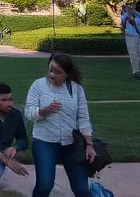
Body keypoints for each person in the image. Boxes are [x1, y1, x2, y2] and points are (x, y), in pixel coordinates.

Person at [24, 53, 95, 197]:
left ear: (66, 74)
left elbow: (83, 117)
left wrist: (89, 144)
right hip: (44, 142)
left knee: (82, 190)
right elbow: (29, 112)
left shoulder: (76, 89)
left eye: (57, 72)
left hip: (71, 144)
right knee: (44, 186)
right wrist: (45, 111)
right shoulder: (38, 85)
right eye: (50, 69)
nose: (52, 74)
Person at [121, 2, 140, 81]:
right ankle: (136, 72)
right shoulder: (124, 16)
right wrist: (129, 18)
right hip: (130, 37)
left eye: (132, 6)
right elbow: (123, 26)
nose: (130, 8)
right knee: (134, 55)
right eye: (129, 7)